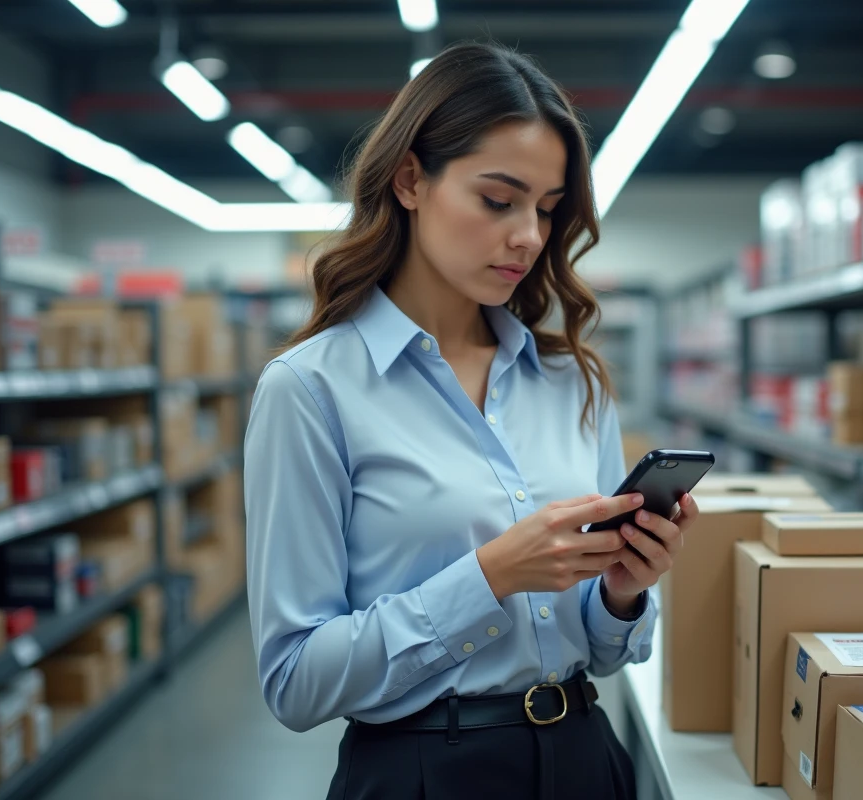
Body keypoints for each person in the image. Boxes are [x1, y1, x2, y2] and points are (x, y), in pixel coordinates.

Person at [244, 41, 700, 800]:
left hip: (586, 757)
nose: (528, 235)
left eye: (548, 210)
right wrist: (489, 578)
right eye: (499, 199)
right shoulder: (310, 389)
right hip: (422, 773)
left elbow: (602, 647)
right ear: (412, 179)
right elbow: (294, 680)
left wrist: (622, 591)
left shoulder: (572, 381)